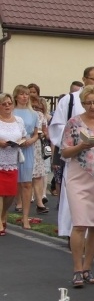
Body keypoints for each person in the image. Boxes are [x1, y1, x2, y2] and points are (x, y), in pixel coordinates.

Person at [59, 85, 94, 287]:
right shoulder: (73, 123)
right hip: (78, 174)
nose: (92, 106)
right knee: (80, 223)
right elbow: (64, 152)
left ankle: (87, 268)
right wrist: (81, 146)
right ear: (82, 103)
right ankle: (76, 268)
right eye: (88, 102)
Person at [50, 67, 94, 238]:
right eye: (93, 79)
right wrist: (76, 142)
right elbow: (58, 126)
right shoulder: (69, 100)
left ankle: (91, 235)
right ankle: (71, 232)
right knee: (72, 199)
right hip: (75, 158)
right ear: (84, 78)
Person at [12, 85, 40, 230]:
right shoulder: (11, 111)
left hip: (27, 148)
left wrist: (32, 140)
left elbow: (37, 133)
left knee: (27, 183)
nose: (24, 97)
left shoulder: (34, 114)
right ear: (16, 96)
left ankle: (25, 218)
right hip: (11, 148)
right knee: (11, 181)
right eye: (22, 94)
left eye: (27, 94)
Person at [0, 93, 26, 235]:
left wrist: (21, 141)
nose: (7, 106)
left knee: (10, 193)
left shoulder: (19, 120)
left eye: (9, 103)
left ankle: (3, 214)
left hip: (12, 160)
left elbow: (23, 136)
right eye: (4, 104)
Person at [27, 83, 50, 212]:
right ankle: (21, 201)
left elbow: (46, 131)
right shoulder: (20, 113)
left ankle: (40, 202)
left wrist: (42, 134)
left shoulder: (41, 116)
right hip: (25, 144)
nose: (36, 108)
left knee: (39, 175)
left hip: (38, 145)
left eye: (38, 107)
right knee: (24, 176)